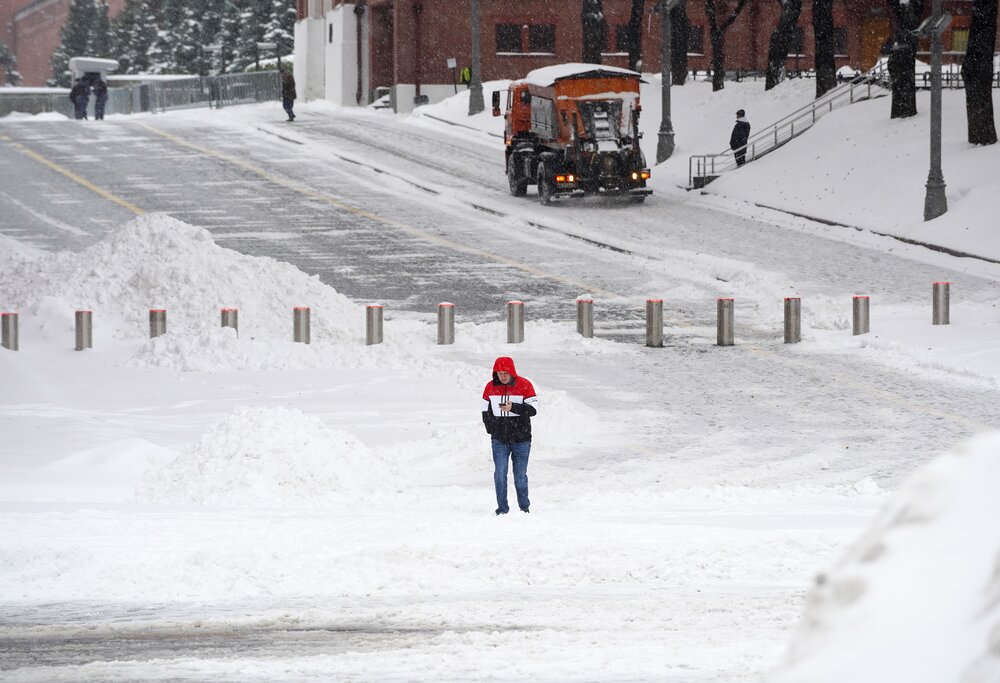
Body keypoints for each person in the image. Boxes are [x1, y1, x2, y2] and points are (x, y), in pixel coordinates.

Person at [481, 356, 538, 515]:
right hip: (499, 440)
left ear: (512, 372)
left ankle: (524, 507)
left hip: (522, 440)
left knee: (520, 476)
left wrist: (514, 407)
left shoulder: (525, 385)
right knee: (500, 474)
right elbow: (485, 412)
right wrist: (493, 429)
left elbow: (533, 410)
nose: (503, 376)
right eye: (500, 373)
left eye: (506, 373)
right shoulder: (489, 387)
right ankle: (502, 509)